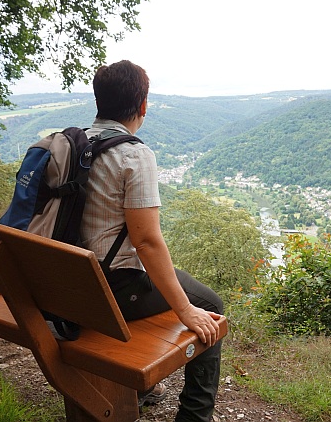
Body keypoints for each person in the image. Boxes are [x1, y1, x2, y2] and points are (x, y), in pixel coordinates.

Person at [80, 60, 224, 422]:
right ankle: (194, 417)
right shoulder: (133, 154)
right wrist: (186, 310)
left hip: (64, 281)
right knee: (210, 305)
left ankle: (141, 391)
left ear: (99, 101)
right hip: (108, 288)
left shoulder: (67, 143)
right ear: (143, 106)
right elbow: (146, 242)